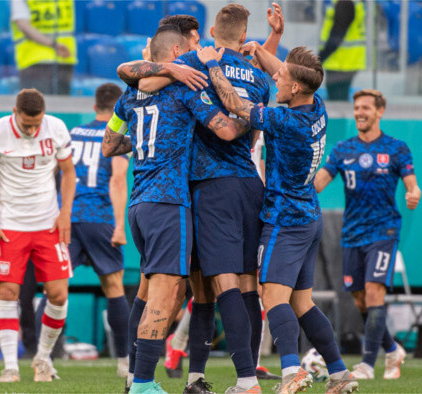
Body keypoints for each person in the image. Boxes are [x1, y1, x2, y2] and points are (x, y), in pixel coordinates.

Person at [116, 4, 285, 393]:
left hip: (202, 187)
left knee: (194, 285)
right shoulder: (258, 73)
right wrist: (269, 42)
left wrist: (172, 69)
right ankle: (214, 377)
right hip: (247, 183)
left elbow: (132, 77)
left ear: (210, 32)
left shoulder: (196, 61)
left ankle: (144, 378)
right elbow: (274, 80)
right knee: (242, 286)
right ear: (245, 35)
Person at [197, 42, 359, 394]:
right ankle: (340, 374)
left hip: (284, 221)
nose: (275, 76)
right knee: (302, 303)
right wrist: (261, 49)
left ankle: (292, 373)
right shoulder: (316, 106)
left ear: (296, 87)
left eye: (281, 76)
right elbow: (290, 74)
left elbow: (236, 106)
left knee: (273, 297)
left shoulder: (284, 120)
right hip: (308, 216)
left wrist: (212, 67)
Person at [102, 25, 249, 394]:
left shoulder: (128, 97)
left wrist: (141, 143)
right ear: (181, 50)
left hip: (139, 204)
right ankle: (143, 384)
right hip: (169, 202)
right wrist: (254, 117)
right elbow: (227, 131)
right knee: (166, 295)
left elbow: (109, 145)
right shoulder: (186, 89)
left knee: (146, 290)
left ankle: (135, 378)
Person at [314, 89, 421, 379]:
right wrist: (300, 192)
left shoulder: (396, 148)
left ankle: (367, 364)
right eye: (356, 107)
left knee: (375, 292)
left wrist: (414, 193)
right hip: (352, 234)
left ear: (380, 111)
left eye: (365, 108)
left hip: (384, 231)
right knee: (361, 300)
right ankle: (392, 349)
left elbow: (412, 185)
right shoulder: (344, 149)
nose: (359, 112)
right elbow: (321, 181)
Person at [0, 88, 76, 382]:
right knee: (8, 293)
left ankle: (43, 359)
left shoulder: (56, 127)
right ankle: (10, 366)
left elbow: (68, 173)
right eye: (26, 124)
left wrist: (65, 212)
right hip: (10, 227)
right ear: (14, 112)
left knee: (58, 294)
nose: (32, 130)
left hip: (48, 225)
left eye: (36, 124)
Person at [65, 82, 130, 378]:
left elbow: (57, 176)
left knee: (56, 289)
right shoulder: (117, 134)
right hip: (100, 216)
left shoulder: (73, 133)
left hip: (69, 217)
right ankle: (125, 361)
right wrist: (119, 226)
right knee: (114, 287)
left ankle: (43, 356)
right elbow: (117, 180)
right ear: (119, 108)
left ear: (94, 107)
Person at [9, 0, 76, 94]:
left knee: (34, 105)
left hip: (36, 60)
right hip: (59, 59)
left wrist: (53, 44)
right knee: (60, 106)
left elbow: (23, 24)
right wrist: (53, 45)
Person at [319, 0, 366, 100]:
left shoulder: (345, 3)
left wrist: (319, 59)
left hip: (340, 63)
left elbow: (337, 34)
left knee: (337, 101)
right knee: (339, 100)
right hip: (345, 61)